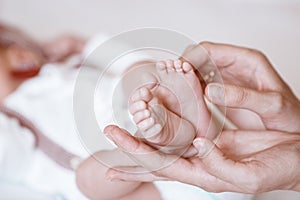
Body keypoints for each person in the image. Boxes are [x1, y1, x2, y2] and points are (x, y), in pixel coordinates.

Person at [101, 42, 300, 194]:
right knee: (142, 73)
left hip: (227, 175)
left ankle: (160, 142)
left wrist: (82, 46)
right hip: (238, 173)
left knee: (87, 178)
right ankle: (185, 133)